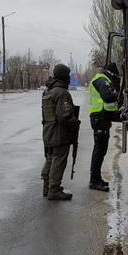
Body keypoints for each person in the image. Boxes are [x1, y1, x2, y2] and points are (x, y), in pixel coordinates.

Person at [40, 63, 79, 201]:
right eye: (67, 75)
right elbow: (65, 116)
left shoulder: (48, 91)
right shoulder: (62, 93)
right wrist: (75, 122)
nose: (69, 78)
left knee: (50, 158)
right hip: (59, 133)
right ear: (63, 76)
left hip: (48, 131)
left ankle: (47, 187)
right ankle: (54, 189)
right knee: (59, 160)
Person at [88, 62, 120, 192]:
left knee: (101, 150)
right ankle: (94, 181)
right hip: (99, 119)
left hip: (103, 118)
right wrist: (119, 94)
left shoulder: (103, 79)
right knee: (99, 150)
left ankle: (96, 179)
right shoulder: (101, 80)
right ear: (112, 73)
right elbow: (107, 98)